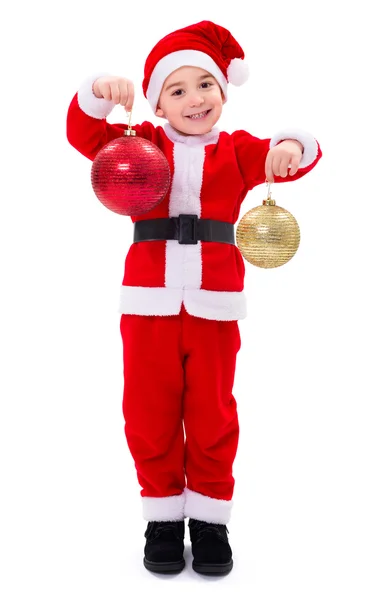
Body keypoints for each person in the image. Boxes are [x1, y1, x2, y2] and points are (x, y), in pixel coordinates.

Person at [66, 20, 322, 576]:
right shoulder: (138, 144)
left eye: (205, 84)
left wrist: (290, 146)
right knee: (149, 411)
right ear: (157, 104)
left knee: (213, 411)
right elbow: (82, 135)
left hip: (215, 305)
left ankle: (209, 521)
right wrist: (96, 92)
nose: (194, 99)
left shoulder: (237, 150)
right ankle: (161, 517)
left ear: (224, 92)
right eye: (176, 90)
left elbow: (301, 154)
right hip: (147, 306)